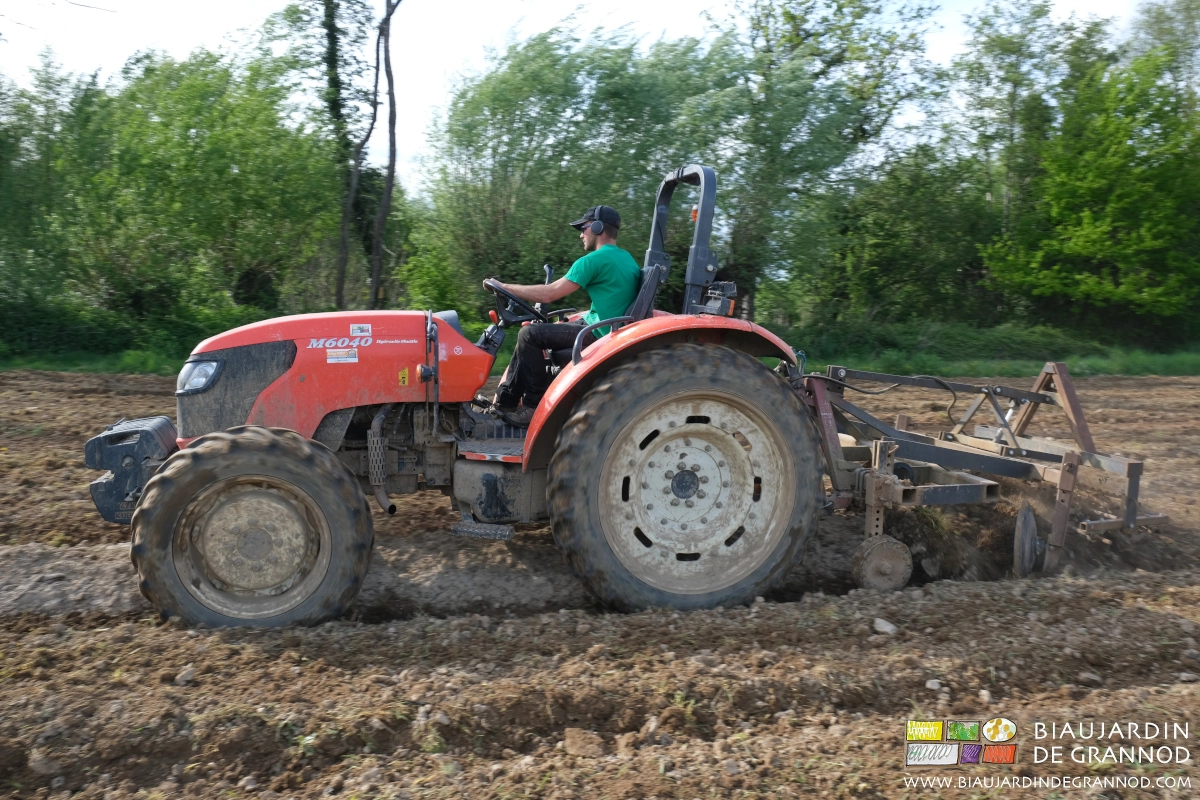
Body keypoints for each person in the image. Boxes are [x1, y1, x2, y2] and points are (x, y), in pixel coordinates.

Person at [485, 204, 641, 426]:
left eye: (583, 228)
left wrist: (504, 287)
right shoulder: (627, 258)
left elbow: (549, 293)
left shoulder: (593, 261)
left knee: (529, 334)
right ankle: (504, 403)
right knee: (533, 331)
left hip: (600, 335)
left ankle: (531, 407)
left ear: (598, 227)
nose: (580, 235)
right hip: (607, 328)